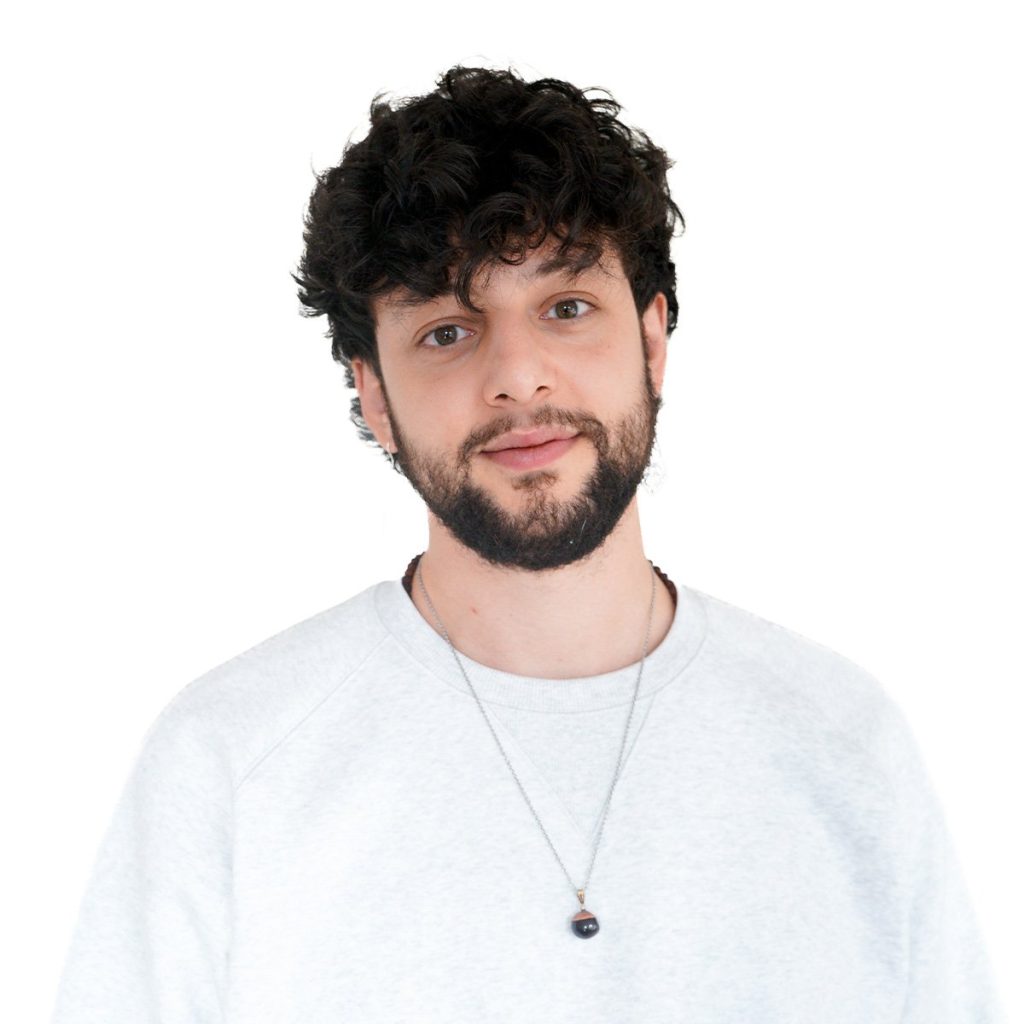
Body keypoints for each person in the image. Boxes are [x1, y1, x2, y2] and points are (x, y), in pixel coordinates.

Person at [51, 65, 1005, 1023]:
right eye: (446, 331)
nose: (517, 375)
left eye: (566, 308)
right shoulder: (232, 762)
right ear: (374, 395)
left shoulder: (843, 743)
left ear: (652, 342)